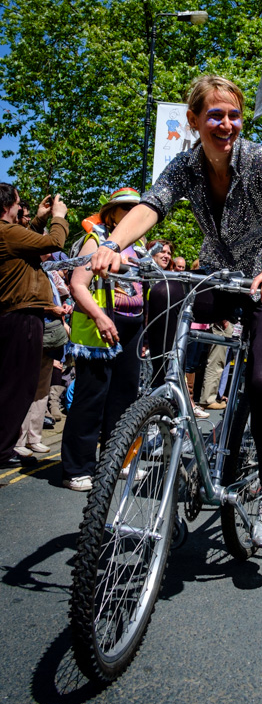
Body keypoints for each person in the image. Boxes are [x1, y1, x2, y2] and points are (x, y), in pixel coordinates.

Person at [91, 75, 262, 548]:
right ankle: (168, 408)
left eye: (234, 115)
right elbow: (152, 206)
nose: (226, 124)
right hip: (220, 278)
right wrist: (112, 244)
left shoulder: (261, 159)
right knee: (165, 290)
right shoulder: (185, 165)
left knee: (261, 381)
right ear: (193, 120)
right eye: (215, 115)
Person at [61, 187, 144, 490]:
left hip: (133, 328)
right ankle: (77, 468)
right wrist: (99, 316)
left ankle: (117, 460)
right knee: (91, 399)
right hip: (100, 331)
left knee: (124, 398)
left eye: (137, 210)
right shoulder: (95, 240)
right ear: (112, 214)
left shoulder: (140, 246)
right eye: (126, 209)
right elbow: (78, 285)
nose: (132, 215)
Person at [0, 185, 69, 468]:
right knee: (18, 387)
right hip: (22, 317)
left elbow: (27, 240)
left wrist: (40, 218)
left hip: (16, 316)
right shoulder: (6, 232)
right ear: (8, 205)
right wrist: (59, 217)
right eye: (19, 204)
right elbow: (53, 243)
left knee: (13, 384)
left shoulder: (10, 233)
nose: (21, 209)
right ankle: (3, 450)